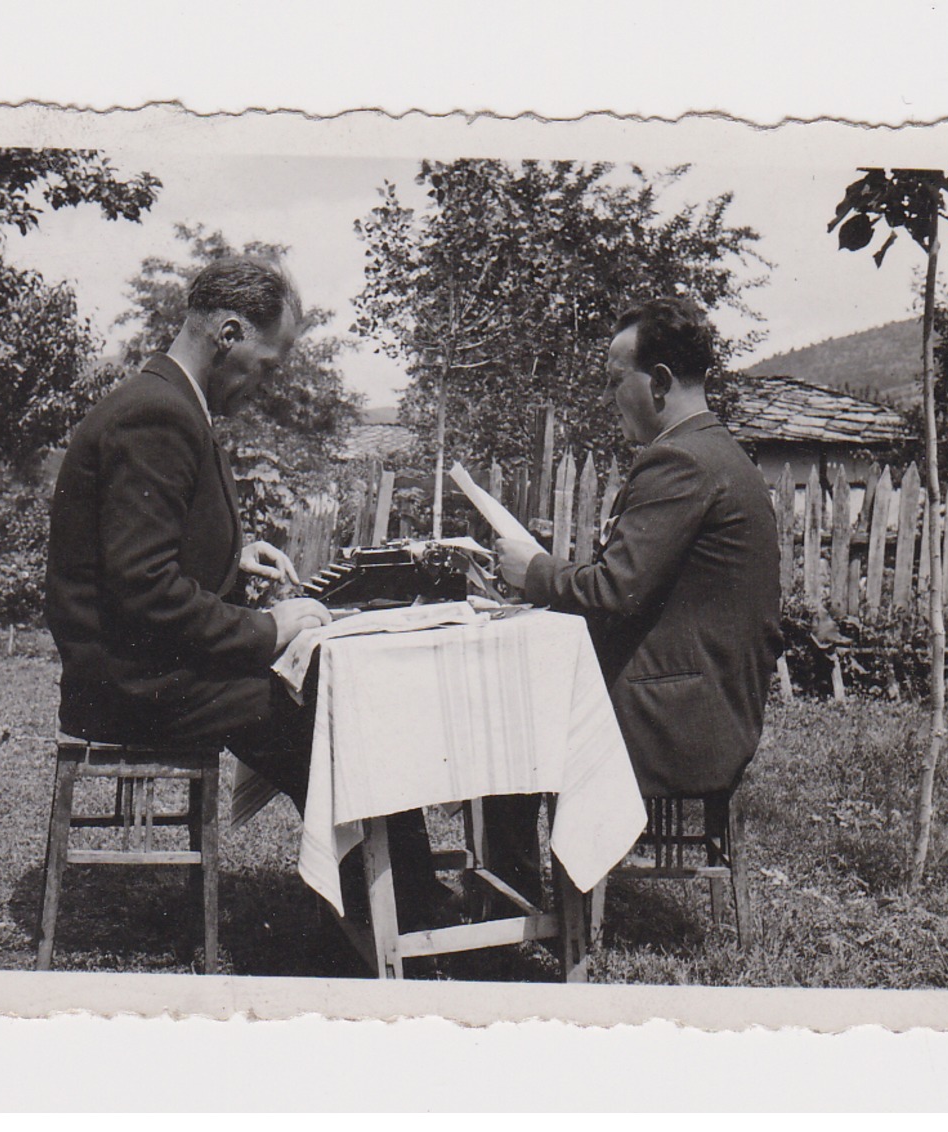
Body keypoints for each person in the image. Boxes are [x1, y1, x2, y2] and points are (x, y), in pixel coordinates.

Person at [45, 256, 446, 929]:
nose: (265, 381)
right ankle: (405, 918)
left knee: (332, 712)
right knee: (336, 722)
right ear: (227, 331)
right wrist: (270, 630)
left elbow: (138, 550)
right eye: (267, 361)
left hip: (140, 671)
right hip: (132, 687)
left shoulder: (164, 400)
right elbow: (143, 589)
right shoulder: (158, 414)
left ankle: (392, 909)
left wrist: (228, 556)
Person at [492, 297, 783, 899]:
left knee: (504, 721)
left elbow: (614, 588)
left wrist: (535, 571)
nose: (608, 398)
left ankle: (513, 907)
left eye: (612, 381)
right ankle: (516, 896)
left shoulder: (680, 460)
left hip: (681, 718)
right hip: (709, 700)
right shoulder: (718, 451)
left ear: (658, 383)